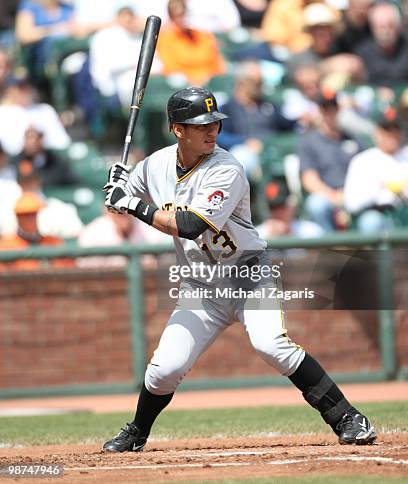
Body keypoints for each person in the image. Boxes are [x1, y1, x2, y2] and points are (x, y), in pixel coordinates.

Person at [102, 86, 376, 452]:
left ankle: (348, 417)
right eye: (201, 125)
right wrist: (116, 184)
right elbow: (122, 197)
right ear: (177, 129)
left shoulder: (226, 168)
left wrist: (131, 203)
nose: (212, 130)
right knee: (164, 369)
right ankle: (136, 432)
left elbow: (189, 225)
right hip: (200, 285)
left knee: (272, 345)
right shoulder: (154, 165)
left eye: (214, 122)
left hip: (248, 275)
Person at [299, 91, 361, 231]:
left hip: (353, 195)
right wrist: (334, 197)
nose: (330, 113)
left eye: (333, 108)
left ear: (339, 109)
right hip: (326, 195)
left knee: (371, 219)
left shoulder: (352, 139)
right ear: (320, 111)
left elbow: (366, 172)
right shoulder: (309, 141)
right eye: (325, 109)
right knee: (316, 204)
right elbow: (309, 179)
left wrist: (348, 195)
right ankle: (332, 249)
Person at [343, 109, 408, 232]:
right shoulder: (363, 161)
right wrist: (381, 188)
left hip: (404, 212)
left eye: (395, 131)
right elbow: (351, 203)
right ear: (377, 133)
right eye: (387, 131)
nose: (392, 136)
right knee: (371, 222)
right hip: (376, 213)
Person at [156, 0, 225, 86]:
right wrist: (194, 78)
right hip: (183, 84)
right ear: (171, 17)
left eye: (185, 13)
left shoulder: (204, 35)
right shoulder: (165, 38)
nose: (183, 18)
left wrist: (206, 76)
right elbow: (170, 67)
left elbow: (218, 64)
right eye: (178, 15)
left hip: (209, 80)